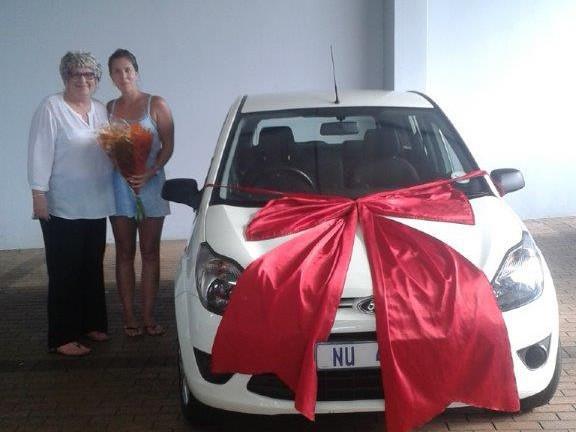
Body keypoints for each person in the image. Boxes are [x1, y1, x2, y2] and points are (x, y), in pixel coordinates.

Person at [28, 52, 115, 356]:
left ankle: (91, 323)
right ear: (65, 77)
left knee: (91, 266)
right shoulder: (51, 107)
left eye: (89, 75)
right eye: (76, 74)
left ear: (96, 79)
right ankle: (62, 336)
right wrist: (38, 194)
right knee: (64, 270)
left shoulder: (101, 110)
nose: (83, 80)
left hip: (95, 202)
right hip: (62, 204)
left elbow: (109, 150)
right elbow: (40, 151)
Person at [106, 49, 174, 337]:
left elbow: (168, 145)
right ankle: (129, 316)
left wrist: (150, 171)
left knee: (150, 251)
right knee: (124, 251)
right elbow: (109, 147)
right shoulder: (109, 108)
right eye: (117, 71)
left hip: (151, 183)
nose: (123, 75)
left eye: (127, 69)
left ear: (136, 71)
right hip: (120, 185)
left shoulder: (156, 104)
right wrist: (118, 164)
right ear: (111, 76)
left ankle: (148, 315)